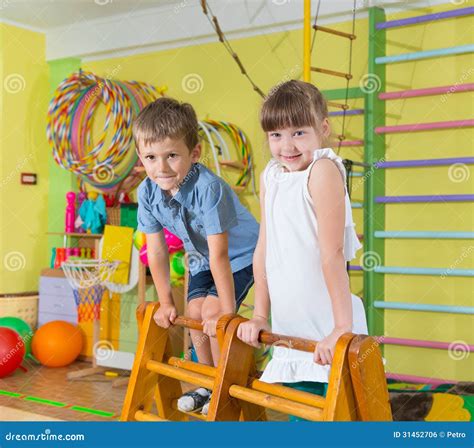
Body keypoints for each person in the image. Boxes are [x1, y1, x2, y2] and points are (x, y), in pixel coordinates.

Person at [237, 80, 368, 421]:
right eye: (276, 135)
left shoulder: (322, 171)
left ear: (322, 129)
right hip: (290, 325)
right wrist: (260, 315)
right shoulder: (271, 176)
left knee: (341, 418)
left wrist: (341, 327)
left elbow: (332, 253)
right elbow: (264, 248)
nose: (286, 145)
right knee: (301, 416)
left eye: (298, 132)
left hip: (326, 324)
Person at [135, 97, 259, 415]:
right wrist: (165, 302)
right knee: (194, 312)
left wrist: (228, 313)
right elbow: (157, 249)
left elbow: (220, 253)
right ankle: (207, 381)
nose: (161, 167)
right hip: (201, 258)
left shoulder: (209, 188)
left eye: (172, 156)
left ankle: (223, 382)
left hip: (241, 255)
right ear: (140, 157)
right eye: (151, 157)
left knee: (214, 313)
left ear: (194, 153)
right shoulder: (148, 193)